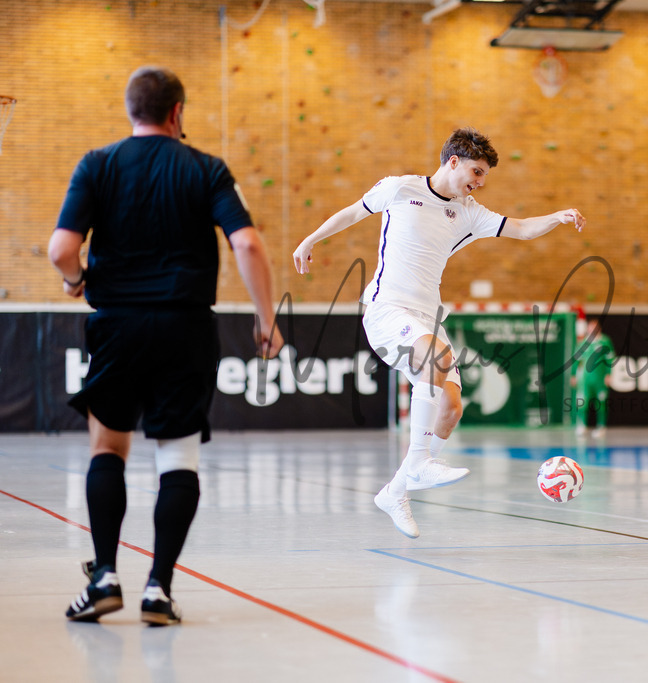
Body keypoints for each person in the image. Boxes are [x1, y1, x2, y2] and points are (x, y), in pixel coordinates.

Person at [50, 66, 284, 625]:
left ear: (133, 111)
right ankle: (159, 589)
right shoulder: (206, 169)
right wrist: (266, 319)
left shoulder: (97, 164)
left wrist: (76, 281)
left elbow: (62, 248)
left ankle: (104, 578)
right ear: (178, 112)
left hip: (117, 327)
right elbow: (248, 244)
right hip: (186, 328)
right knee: (178, 458)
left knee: (108, 450)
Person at [293, 127, 585, 539]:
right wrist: (310, 239)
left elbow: (518, 228)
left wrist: (556, 217)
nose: (480, 183)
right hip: (386, 310)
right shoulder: (400, 188)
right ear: (453, 161)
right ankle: (417, 464)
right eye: (477, 172)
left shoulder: (469, 211)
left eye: (484, 176)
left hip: (427, 317)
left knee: (451, 407)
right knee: (438, 359)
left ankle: (396, 491)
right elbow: (354, 211)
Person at [572, 318, 616, 437]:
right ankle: (582, 425)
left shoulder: (605, 341)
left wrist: (608, 374)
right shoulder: (582, 343)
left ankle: (601, 426)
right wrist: (573, 375)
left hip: (599, 378)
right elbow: (576, 361)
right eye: (590, 328)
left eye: (594, 328)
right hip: (585, 379)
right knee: (582, 401)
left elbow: (610, 359)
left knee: (601, 402)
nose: (592, 330)